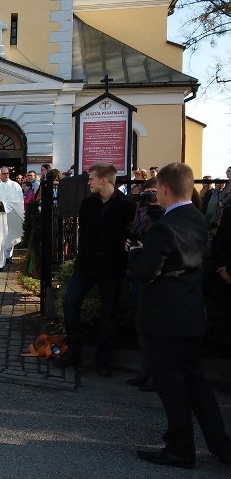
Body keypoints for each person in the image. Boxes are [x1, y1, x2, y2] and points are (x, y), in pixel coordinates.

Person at [128, 162, 231, 469]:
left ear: (164, 189)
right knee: (197, 384)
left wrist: (135, 252)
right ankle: (220, 444)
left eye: (157, 188)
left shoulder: (164, 227)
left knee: (171, 386)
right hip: (190, 313)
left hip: (164, 318)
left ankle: (180, 449)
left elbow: (147, 272)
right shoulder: (197, 218)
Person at [53, 162, 136, 377]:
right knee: (70, 302)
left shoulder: (126, 205)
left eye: (91, 179)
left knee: (108, 313)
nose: (88, 182)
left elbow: (127, 233)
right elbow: (88, 233)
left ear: (104, 180)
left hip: (112, 267)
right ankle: (74, 351)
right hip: (87, 265)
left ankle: (103, 360)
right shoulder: (88, 204)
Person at [125, 178, 163, 393]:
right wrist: (129, 243)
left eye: (153, 192)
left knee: (154, 327)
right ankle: (146, 369)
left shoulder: (165, 215)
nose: (149, 197)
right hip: (137, 274)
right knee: (142, 324)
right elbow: (134, 234)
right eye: (146, 192)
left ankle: (155, 374)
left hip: (154, 278)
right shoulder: (141, 214)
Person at [0, 166, 25, 263]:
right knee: (1, 235)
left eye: (7, 173)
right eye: (4, 173)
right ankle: (1, 255)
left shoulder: (15, 185)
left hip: (12, 213)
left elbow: (19, 200)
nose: (6, 175)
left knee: (10, 235)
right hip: (0, 213)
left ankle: (9, 256)